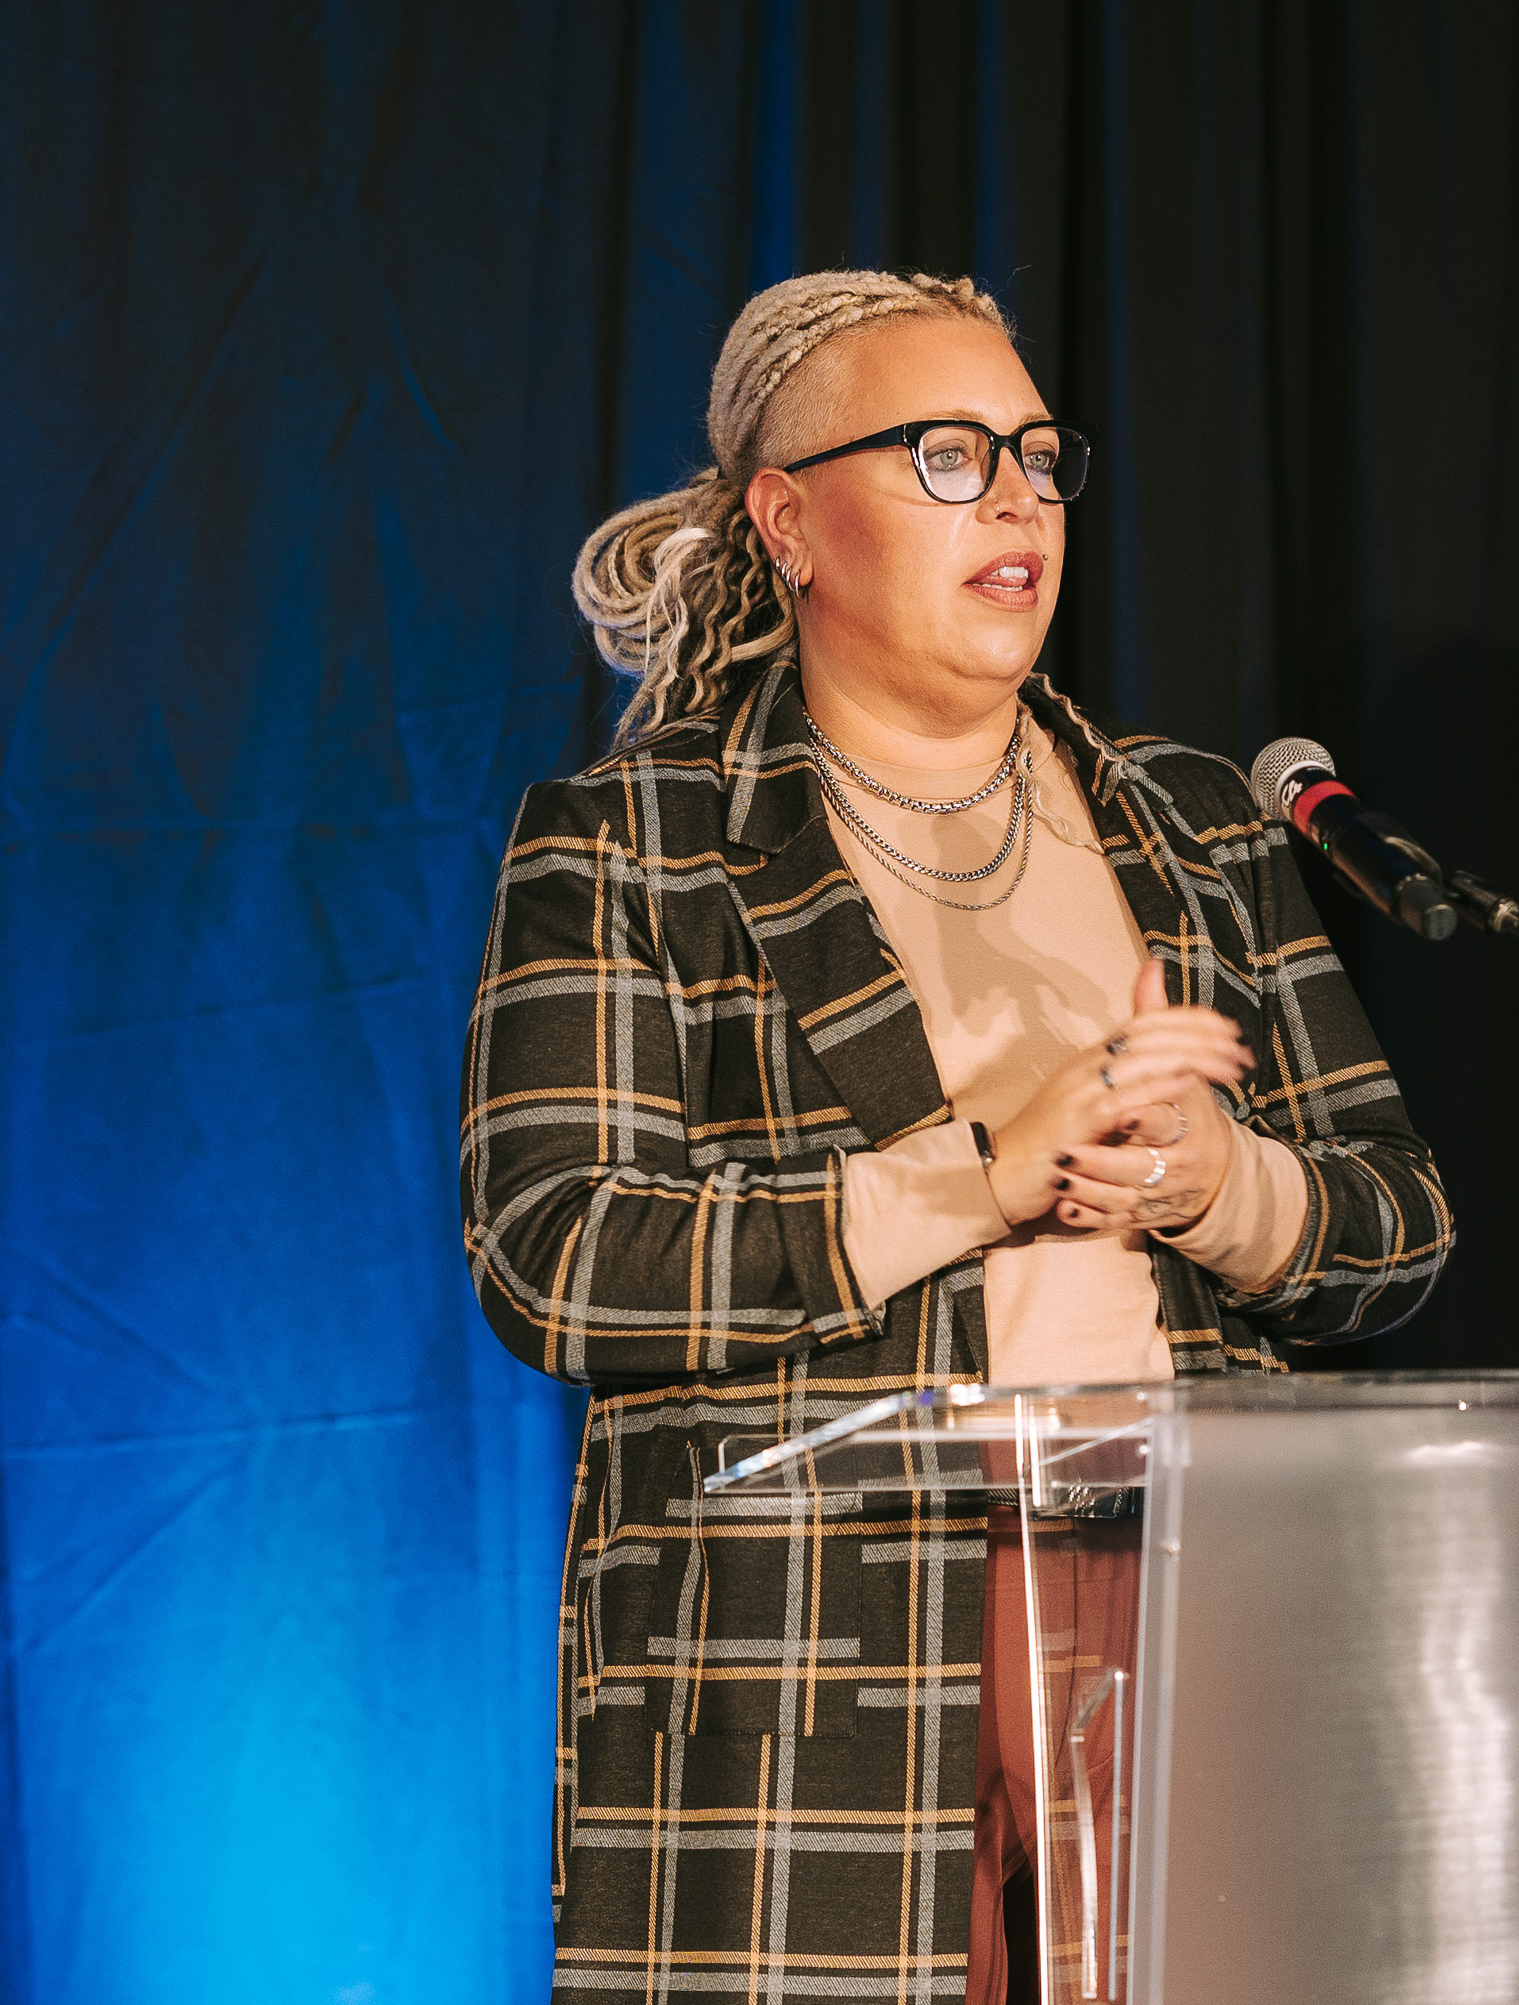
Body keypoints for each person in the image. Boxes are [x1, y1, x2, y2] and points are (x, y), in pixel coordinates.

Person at [460, 267, 1454, 2002]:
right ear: (788, 521)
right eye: (942, 452)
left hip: (1189, 1584)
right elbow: (560, 1257)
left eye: (1038, 456)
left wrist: (1225, 1187)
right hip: (813, 1644)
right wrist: (979, 1173)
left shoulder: (1193, 821)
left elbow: (1400, 1228)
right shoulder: (637, 844)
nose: (1014, 497)